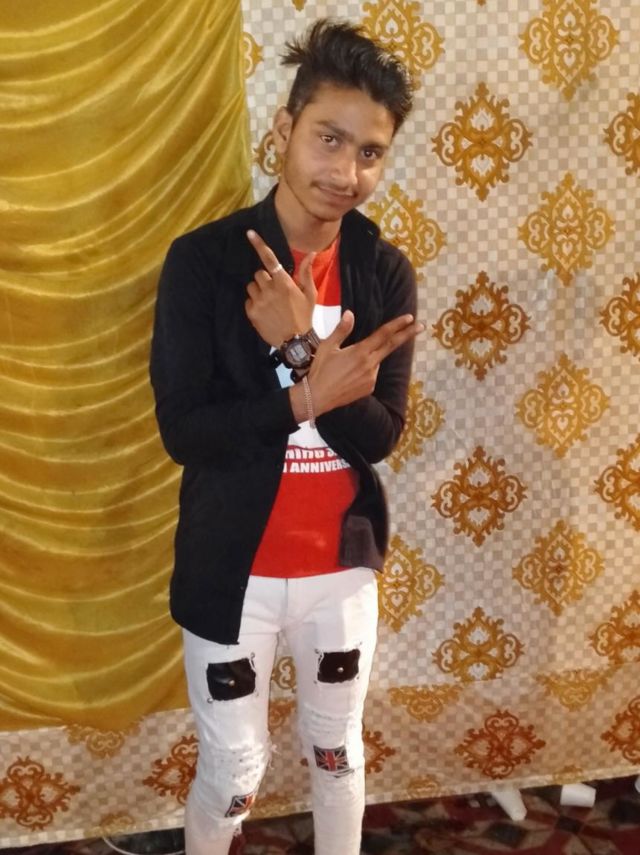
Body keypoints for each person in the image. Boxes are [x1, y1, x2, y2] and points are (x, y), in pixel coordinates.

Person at [150, 18, 423, 855]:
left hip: (340, 567)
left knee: (336, 754)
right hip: (234, 566)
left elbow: (379, 434)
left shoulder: (382, 271)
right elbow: (185, 432)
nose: (345, 172)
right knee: (235, 770)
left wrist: (299, 346)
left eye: (370, 152)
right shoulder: (204, 263)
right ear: (283, 129)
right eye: (328, 139)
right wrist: (305, 393)